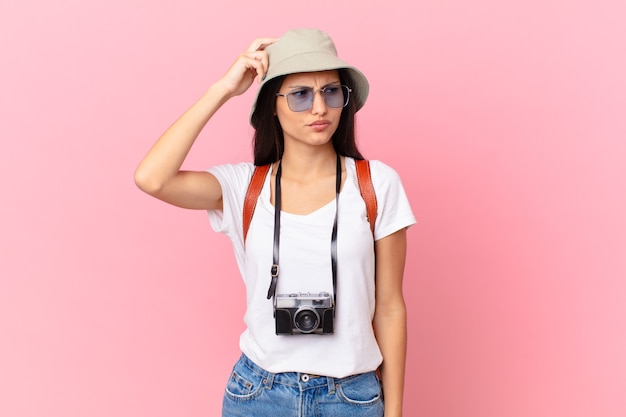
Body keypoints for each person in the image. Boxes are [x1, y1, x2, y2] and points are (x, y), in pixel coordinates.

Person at [135, 28, 416, 417]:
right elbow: (152, 178)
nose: (319, 108)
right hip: (259, 394)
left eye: (331, 92)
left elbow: (389, 307)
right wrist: (223, 89)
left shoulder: (377, 184)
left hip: (351, 397)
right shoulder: (242, 188)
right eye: (301, 94)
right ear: (272, 105)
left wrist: (395, 411)